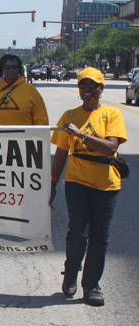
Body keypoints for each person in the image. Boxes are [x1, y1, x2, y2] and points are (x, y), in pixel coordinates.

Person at [49, 67, 127, 307]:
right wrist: (52, 185)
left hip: (107, 184)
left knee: (99, 238)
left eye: (93, 85)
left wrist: (81, 135)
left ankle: (91, 285)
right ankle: (71, 272)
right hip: (77, 181)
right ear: (79, 89)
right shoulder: (68, 116)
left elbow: (110, 148)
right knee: (77, 234)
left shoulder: (112, 114)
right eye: (83, 85)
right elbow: (61, 154)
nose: (87, 89)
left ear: (101, 89)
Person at [0, 54, 48, 126]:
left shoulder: (30, 90)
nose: (11, 69)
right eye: (7, 67)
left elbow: (41, 120)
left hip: (24, 137)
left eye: (14, 67)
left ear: (19, 68)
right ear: (1, 69)